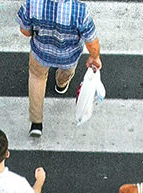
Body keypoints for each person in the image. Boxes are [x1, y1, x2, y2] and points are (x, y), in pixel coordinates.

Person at [19, 0, 100, 135]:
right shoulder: (80, 10)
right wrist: (95, 57)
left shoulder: (32, 3)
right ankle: (61, 85)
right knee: (67, 71)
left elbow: (25, 31)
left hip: (41, 52)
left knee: (37, 78)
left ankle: (36, 124)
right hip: (68, 56)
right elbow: (92, 42)